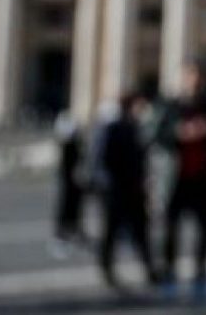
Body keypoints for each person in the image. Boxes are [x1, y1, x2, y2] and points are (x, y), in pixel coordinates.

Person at [155, 61, 206, 300]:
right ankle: (169, 274)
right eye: (190, 76)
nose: (194, 81)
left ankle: (201, 276)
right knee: (171, 229)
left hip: (203, 177)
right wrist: (180, 132)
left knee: (205, 230)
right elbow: (156, 135)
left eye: (198, 76)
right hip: (176, 178)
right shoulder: (169, 105)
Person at [92, 92, 160, 288]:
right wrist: (108, 185)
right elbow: (102, 159)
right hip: (116, 191)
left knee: (140, 231)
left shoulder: (136, 128)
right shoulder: (113, 128)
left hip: (133, 190)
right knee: (111, 233)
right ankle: (107, 270)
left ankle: (150, 270)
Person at [50, 111, 88, 258]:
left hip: (74, 184)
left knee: (73, 209)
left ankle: (73, 232)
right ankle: (64, 236)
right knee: (67, 209)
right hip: (70, 183)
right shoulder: (69, 146)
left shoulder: (72, 145)